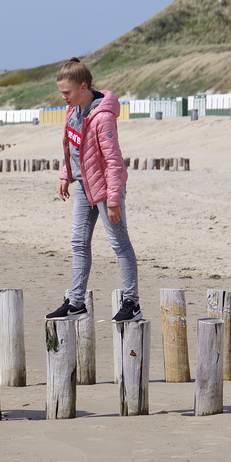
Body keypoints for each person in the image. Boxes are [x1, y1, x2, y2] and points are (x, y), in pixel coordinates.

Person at [45, 57, 141, 323]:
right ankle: (76, 302)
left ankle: (132, 302)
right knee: (78, 242)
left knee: (119, 244)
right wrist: (66, 174)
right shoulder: (73, 110)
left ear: (83, 86)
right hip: (85, 187)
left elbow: (113, 162)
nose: (63, 97)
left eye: (66, 92)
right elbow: (73, 148)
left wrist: (112, 201)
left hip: (107, 190)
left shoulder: (103, 117)